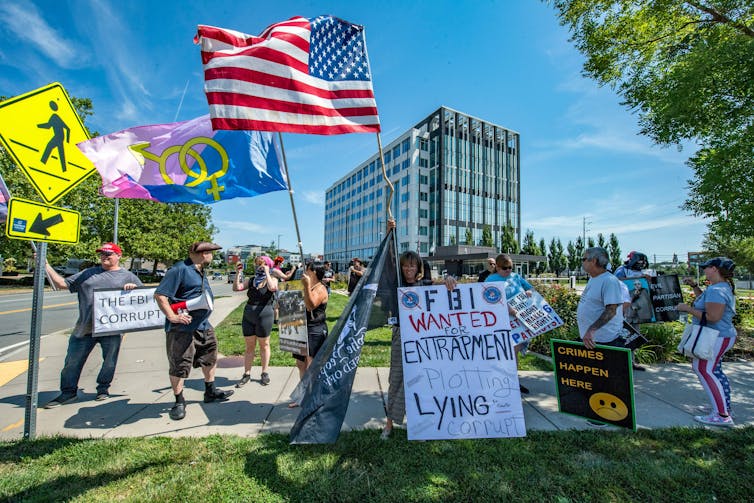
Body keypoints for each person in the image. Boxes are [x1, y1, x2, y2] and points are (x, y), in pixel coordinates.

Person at [42, 243, 142, 407]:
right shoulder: (88, 273)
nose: (105, 256)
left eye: (109, 254)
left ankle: (103, 389)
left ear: (119, 256)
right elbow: (61, 284)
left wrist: (134, 289)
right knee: (72, 362)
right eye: (102, 254)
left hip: (111, 329)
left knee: (109, 362)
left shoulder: (128, 276)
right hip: (85, 327)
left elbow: (143, 299)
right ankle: (68, 393)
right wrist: (45, 265)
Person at [154, 241, 233, 421]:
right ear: (202, 253)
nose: (212, 256)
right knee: (180, 364)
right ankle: (179, 401)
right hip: (182, 328)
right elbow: (160, 295)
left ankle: (210, 391)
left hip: (203, 325)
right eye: (211, 253)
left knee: (210, 357)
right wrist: (172, 317)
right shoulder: (179, 270)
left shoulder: (200, 271)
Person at [676, 257, 737, 427]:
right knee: (714, 370)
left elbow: (712, 317)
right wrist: (695, 287)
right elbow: (707, 304)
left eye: (706, 267)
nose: (704, 270)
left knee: (703, 369)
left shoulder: (717, 290)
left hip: (716, 336)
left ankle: (722, 415)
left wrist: (687, 309)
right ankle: (723, 407)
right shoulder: (720, 288)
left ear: (715, 269)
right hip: (721, 335)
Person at [484, 253, 534, 394]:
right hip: (500, 320)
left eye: (510, 268)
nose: (508, 271)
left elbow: (529, 287)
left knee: (514, 352)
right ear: (497, 267)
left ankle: (513, 380)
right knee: (503, 352)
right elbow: (488, 299)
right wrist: (506, 308)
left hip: (518, 320)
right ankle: (501, 380)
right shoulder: (491, 279)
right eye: (504, 268)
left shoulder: (516, 277)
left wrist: (528, 292)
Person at [232, 255, 278, 388]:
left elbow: (272, 288)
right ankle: (246, 373)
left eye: (262, 264)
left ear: (268, 265)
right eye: (258, 264)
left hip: (265, 314)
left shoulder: (273, 279)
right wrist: (238, 273)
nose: (260, 267)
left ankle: (264, 372)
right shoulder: (251, 280)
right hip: (249, 314)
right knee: (249, 346)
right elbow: (237, 288)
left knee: (264, 344)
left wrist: (268, 272)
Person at [289, 261, 329, 407]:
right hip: (302, 327)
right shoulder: (308, 286)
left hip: (315, 330)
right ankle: (303, 397)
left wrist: (305, 286)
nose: (305, 273)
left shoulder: (321, 289)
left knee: (312, 365)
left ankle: (313, 398)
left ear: (314, 272)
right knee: (301, 364)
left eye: (308, 271)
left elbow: (310, 305)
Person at [577, 247, 625, 350]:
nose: (582, 262)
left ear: (593, 261)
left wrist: (591, 330)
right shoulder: (593, 278)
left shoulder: (609, 281)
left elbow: (611, 310)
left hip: (605, 342)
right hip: (592, 340)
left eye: (584, 259)